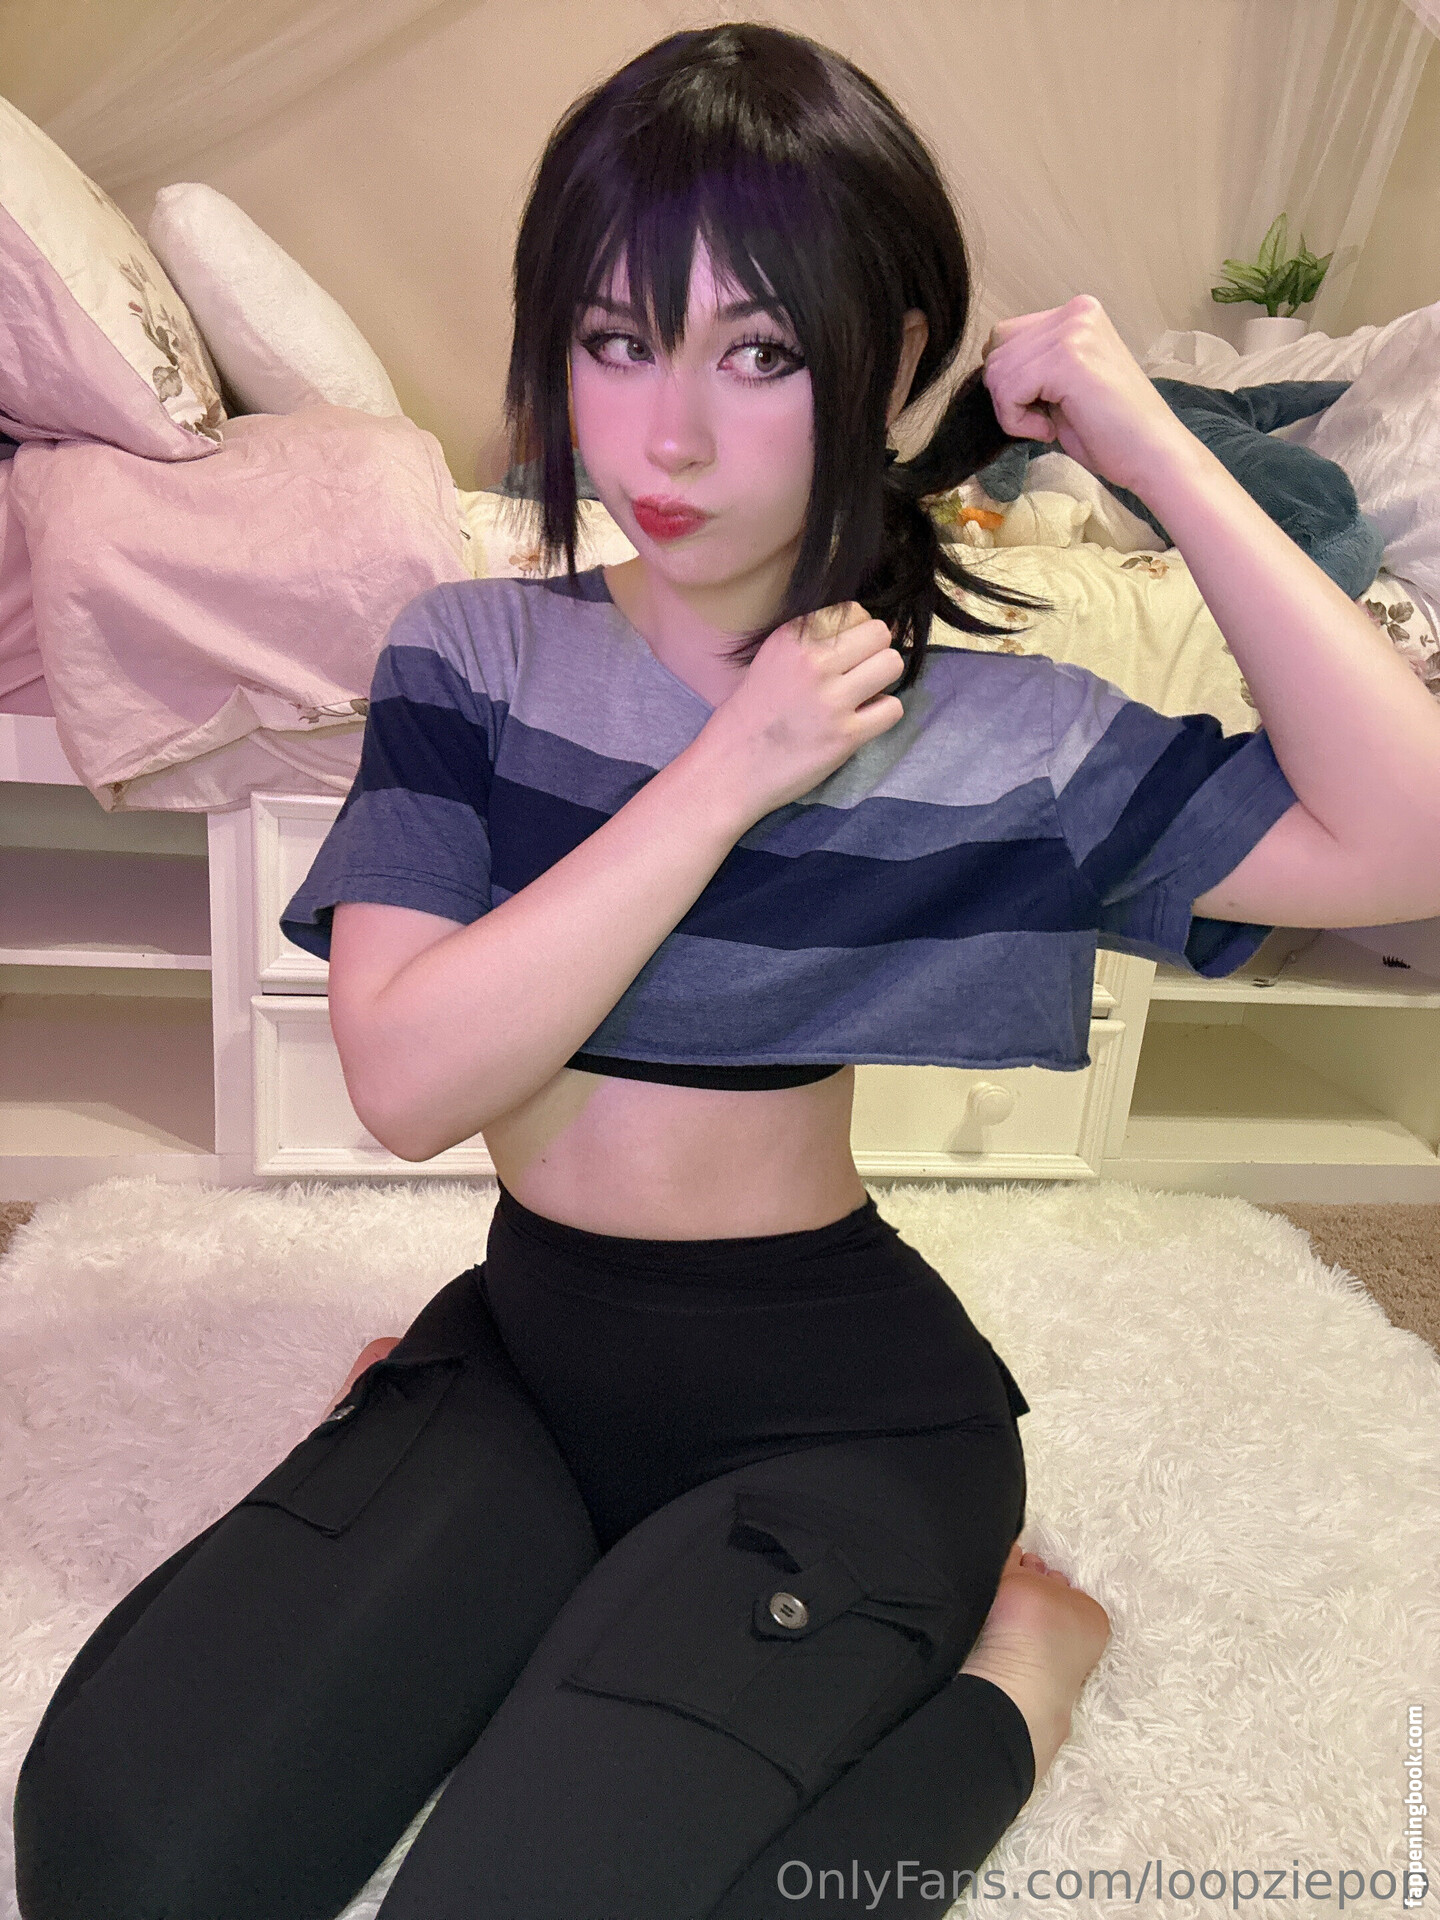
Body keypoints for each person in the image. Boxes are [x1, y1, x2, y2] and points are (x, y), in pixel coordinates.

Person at [18, 21, 1438, 1920]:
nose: (667, 439)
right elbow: (410, 1083)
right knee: (115, 1861)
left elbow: (1409, 844)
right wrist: (728, 772)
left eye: (759, 354)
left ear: (894, 365)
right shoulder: (473, 655)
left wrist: (1156, 445)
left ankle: (1028, 1664)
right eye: (618, 342)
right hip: (525, 1356)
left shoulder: (991, 732)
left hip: (838, 1420)